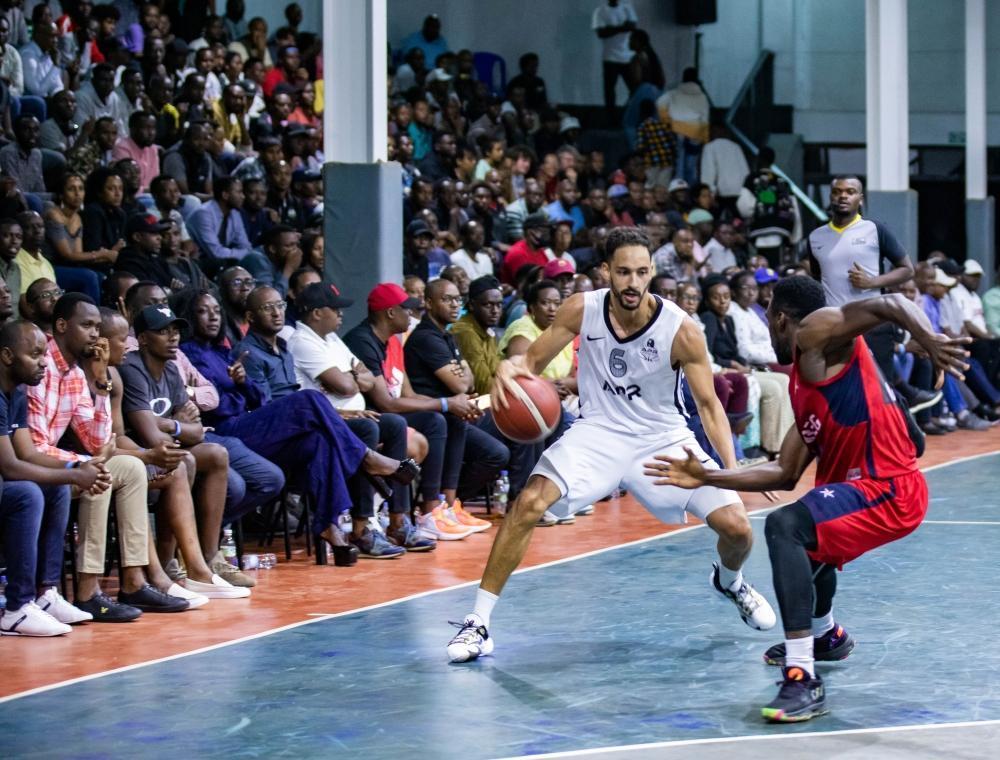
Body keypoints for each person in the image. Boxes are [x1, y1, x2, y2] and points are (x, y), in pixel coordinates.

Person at [644, 276, 968, 722]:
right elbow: (785, 472)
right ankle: (825, 636)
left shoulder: (813, 333)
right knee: (809, 539)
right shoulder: (805, 381)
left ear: (780, 318)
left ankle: (802, 677)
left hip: (888, 488)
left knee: (786, 527)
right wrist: (707, 476)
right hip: (871, 485)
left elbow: (891, 301)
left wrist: (930, 340)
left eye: (767, 318)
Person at [446, 227, 776, 663]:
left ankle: (730, 582)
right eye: (623, 272)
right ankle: (478, 622)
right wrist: (511, 367)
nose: (633, 282)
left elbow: (710, 406)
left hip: (662, 438)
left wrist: (730, 472)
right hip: (597, 433)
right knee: (528, 503)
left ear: (652, 271)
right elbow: (531, 362)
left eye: (641, 272)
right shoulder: (582, 308)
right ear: (606, 271)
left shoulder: (682, 330)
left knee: (738, 529)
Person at [287, 283, 413, 559]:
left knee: (394, 424)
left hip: (352, 415)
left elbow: (366, 380)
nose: (341, 314)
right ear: (317, 313)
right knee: (366, 430)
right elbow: (346, 385)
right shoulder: (302, 342)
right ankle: (361, 527)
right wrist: (353, 377)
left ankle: (398, 521)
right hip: (322, 424)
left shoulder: (332, 339)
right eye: (335, 309)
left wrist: (350, 378)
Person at [0, 320, 107, 636]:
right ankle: (17, 607)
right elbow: (10, 466)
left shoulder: (17, 393)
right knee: (27, 493)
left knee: (55, 487)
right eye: (35, 355)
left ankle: (45, 593)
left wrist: (74, 470)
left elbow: (28, 454)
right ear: (7, 356)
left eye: (44, 354)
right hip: (5, 478)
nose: (44, 363)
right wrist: (75, 475)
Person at [656, 68, 709, 185]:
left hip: (676, 130)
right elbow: (705, 119)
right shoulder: (702, 96)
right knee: (691, 165)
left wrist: (666, 120)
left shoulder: (673, 93)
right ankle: (690, 188)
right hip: (696, 132)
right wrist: (705, 139)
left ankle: (678, 188)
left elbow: (660, 102)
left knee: (678, 163)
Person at [188, 176, 252, 263]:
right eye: (239, 192)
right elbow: (216, 253)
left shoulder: (234, 213)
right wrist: (243, 253)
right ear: (225, 195)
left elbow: (246, 246)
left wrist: (245, 253)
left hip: (221, 262)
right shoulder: (204, 213)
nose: (243, 197)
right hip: (198, 262)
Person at [592, 0, 638, 111]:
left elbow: (632, 27)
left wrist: (611, 28)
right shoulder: (600, 11)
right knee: (609, 90)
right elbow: (601, 33)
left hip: (628, 57)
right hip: (610, 58)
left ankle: (629, 111)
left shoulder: (627, 8)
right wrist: (622, 27)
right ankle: (611, 116)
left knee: (635, 88)